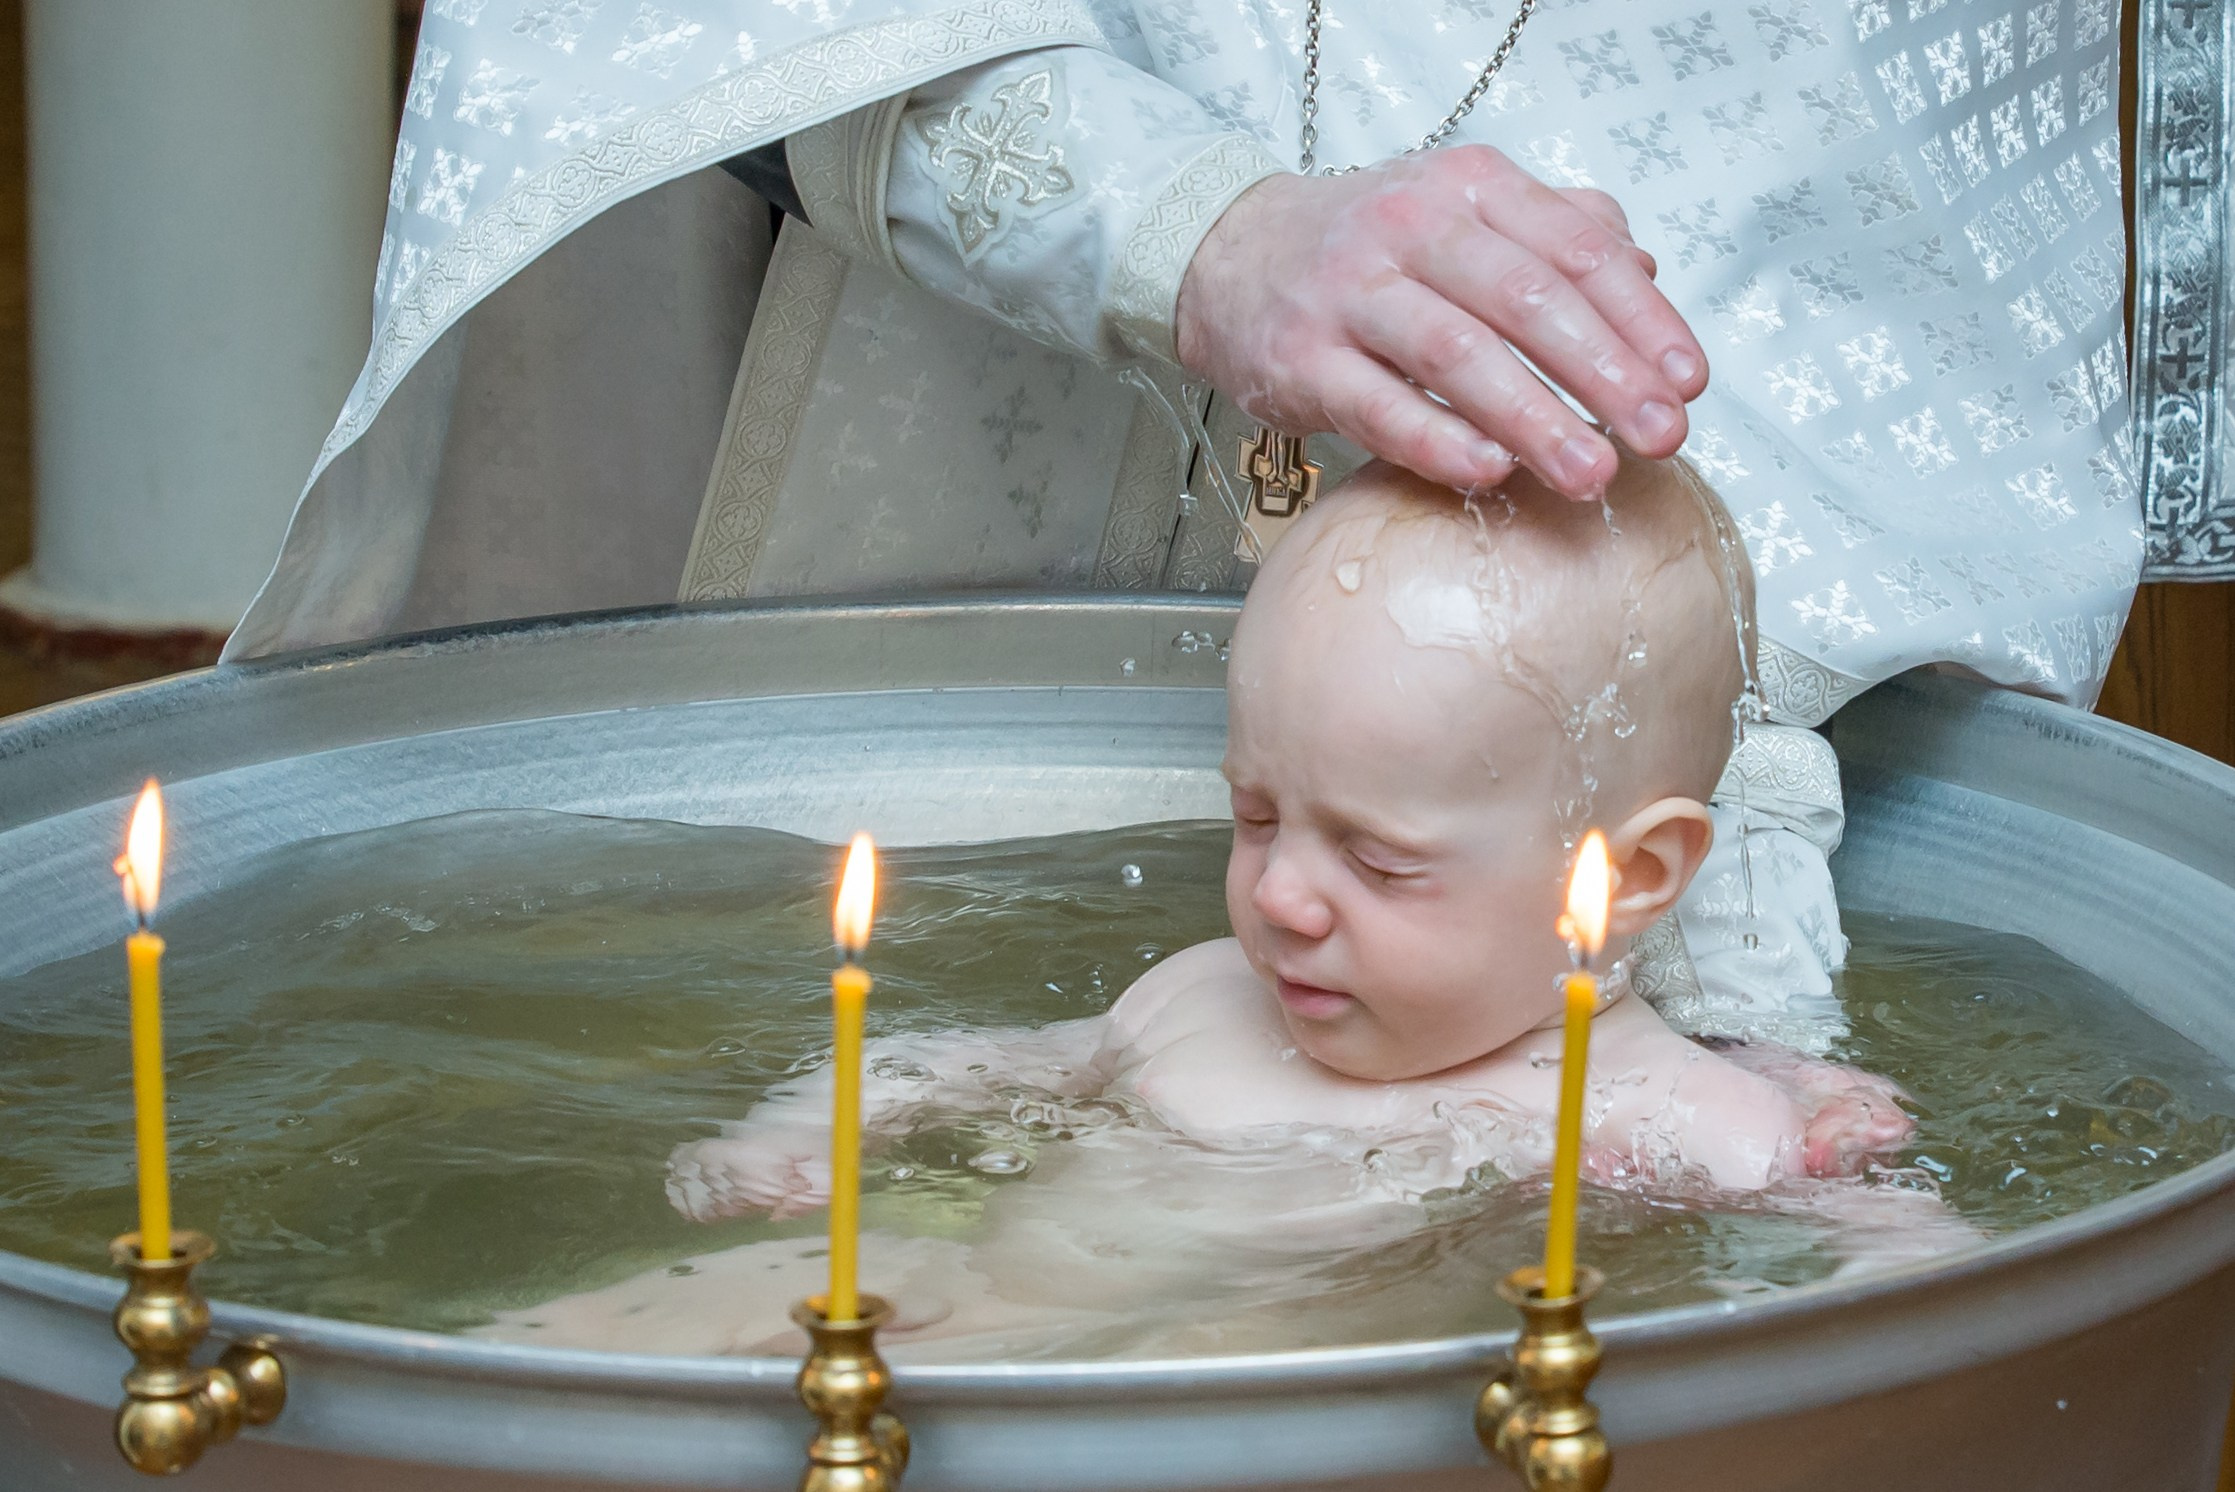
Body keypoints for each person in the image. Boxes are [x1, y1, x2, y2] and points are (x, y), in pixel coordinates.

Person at [477, 457, 1928, 1360]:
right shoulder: (1195, 998)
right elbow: (964, 1062)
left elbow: (1887, 1263)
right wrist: (800, 1131)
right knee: (595, 1347)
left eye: (1378, 860)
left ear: (1630, 882)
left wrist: (1839, 1153)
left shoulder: (1651, 1112)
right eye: (1256, 815)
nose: (1283, 895)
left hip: (1211, 1380)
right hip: (957, 1286)